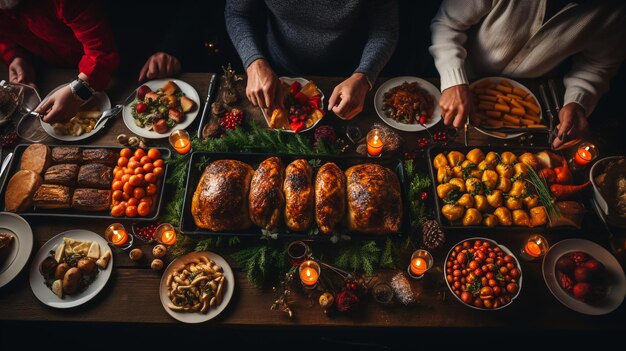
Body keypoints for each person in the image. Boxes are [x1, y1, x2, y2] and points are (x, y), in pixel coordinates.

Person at [429, 0, 626, 148]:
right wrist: (453, 80)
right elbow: (447, 24)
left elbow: (597, 65)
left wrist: (579, 101)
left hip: (533, 101)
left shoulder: (615, 10)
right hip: (463, 81)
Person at [225, 0, 399, 120]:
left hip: (349, 79)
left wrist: (364, 76)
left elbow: (385, 29)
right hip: (276, 74)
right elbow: (237, 13)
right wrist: (253, 62)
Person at [0, 0, 119, 124]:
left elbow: (102, 51)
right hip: (52, 72)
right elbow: (4, 38)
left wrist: (77, 92)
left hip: (116, 70)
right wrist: (16, 56)